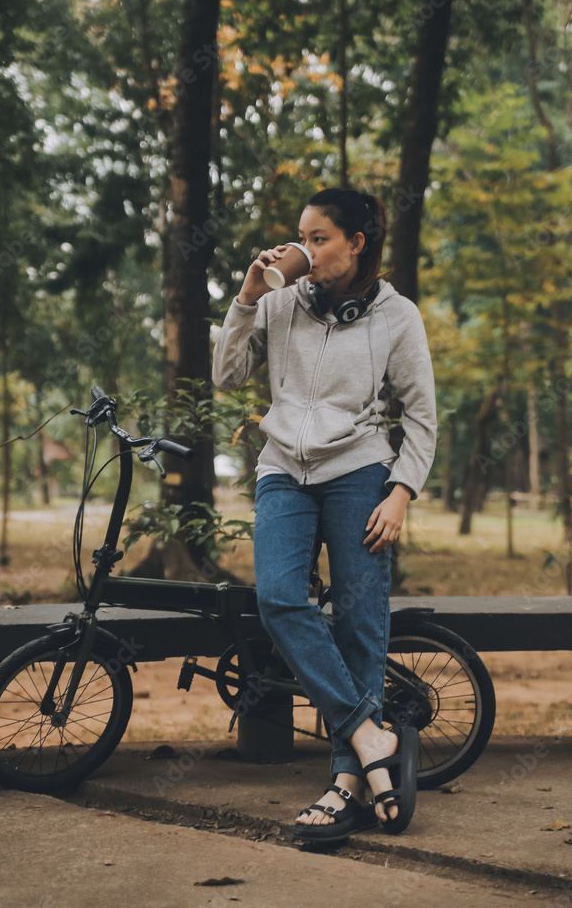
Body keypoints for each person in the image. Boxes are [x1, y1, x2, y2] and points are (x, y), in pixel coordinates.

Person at [212, 187, 437, 842]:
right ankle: (371, 735)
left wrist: (400, 492)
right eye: (300, 237)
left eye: (318, 239)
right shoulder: (279, 302)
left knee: (360, 617)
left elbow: (420, 415)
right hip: (284, 467)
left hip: (359, 471)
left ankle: (345, 782)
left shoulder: (397, 316)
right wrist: (248, 296)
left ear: (355, 242)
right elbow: (227, 375)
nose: (303, 249)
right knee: (280, 597)